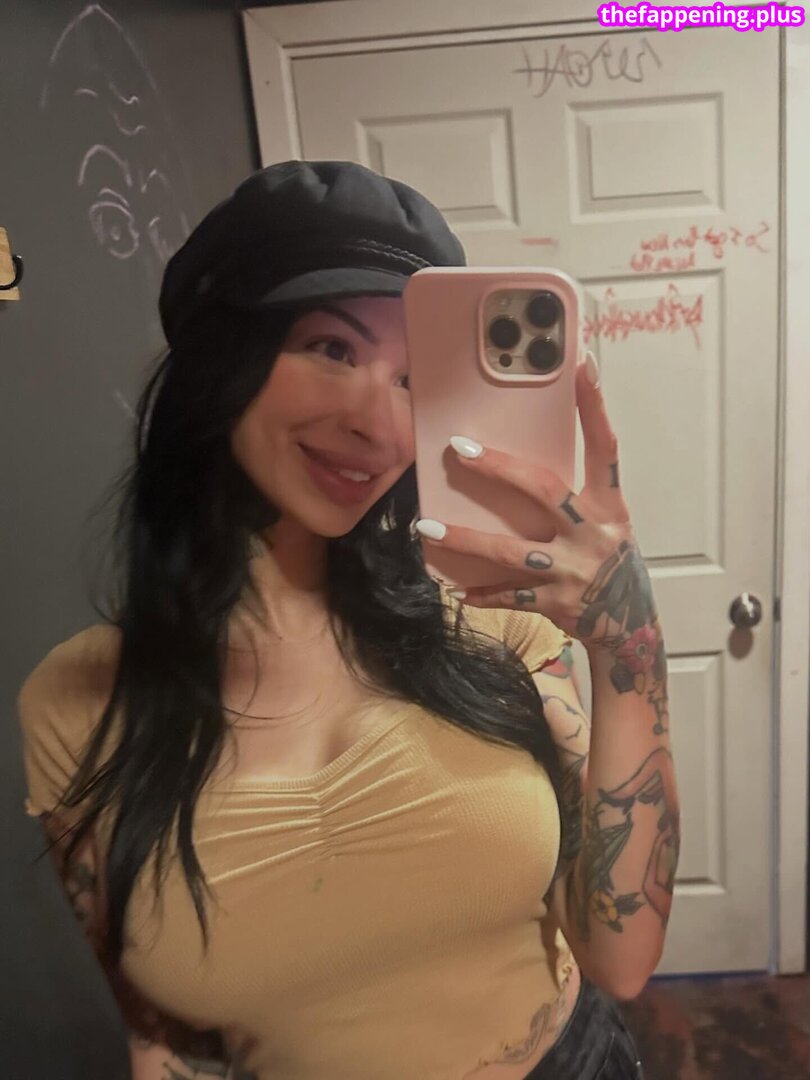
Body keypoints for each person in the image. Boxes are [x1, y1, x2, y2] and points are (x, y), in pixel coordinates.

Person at [18, 160, 679, 1080]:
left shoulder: (489, 627)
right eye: (331, 348)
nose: (382, 425)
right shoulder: (77, 705)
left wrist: (625, 642)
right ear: (221, 360)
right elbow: (162, 1036)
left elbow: (622, 956)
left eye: (414, 378)